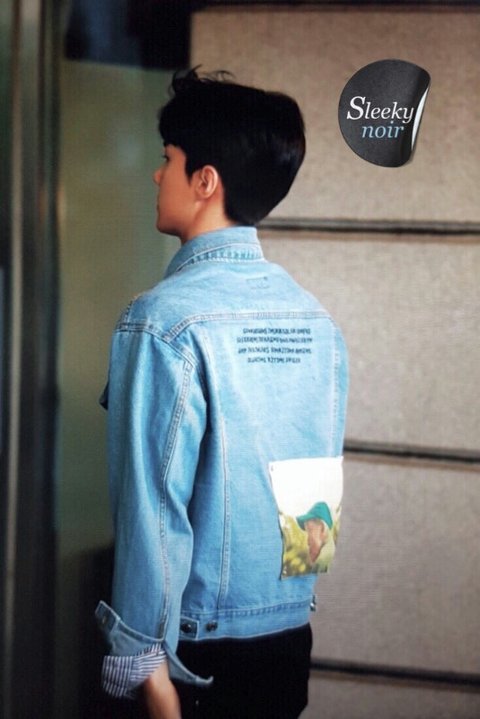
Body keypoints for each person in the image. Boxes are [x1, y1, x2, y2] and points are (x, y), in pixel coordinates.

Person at [96, 68, 348, 719]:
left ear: (205, 181)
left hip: (189, 661)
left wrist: (144, 668)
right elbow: (314, 497)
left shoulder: (162, 321)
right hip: (287, 641)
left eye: (168, 159)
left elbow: (152, 507)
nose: (156, 175)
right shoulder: (315, 320)